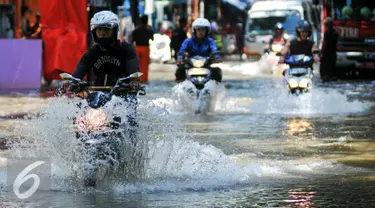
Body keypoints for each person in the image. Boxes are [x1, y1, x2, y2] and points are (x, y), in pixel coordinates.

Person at [69, 10, 141, 141]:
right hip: (97, 95)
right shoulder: (91, 53)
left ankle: (132, 149)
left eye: (106, 29)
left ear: (114, 31)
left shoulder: (126, 49)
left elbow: (133, 71)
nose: (102, 32)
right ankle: (79, 148)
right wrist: (71, 83)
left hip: (123, 93)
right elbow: (77, 73)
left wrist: (133, 81)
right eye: (99, 29)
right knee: (78, 113)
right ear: (94, 32)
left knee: (130, 118)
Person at [175, 18, 223, 83]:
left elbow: (214, 50)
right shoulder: (188, 41)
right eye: (199, 30)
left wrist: (217, 57)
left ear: (207, 31)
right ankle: (179, 88)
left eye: (203, 30)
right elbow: (181, 50)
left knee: (217, 71)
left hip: (206, 64)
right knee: (180, 70)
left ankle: (216, 88)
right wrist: (180, 59)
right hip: (191, 64)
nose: (201, 32)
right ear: (195, 30)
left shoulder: (210, 41)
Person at [130, 15, 154, 83]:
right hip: (145, 48)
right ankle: (143, 80)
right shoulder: (149, 29)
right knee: (144, 65)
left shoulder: (136, 29)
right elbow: (152, 39)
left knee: (137, 65)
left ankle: (136, 79)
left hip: (137, 48)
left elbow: (132, 40)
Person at [320, 17, 339, 81]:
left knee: (327, 66)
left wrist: (322, 51)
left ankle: (328, 76)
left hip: (329, 53)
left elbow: (325, 43)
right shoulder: (334, 33)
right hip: (331, 53)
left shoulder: (329, 33)